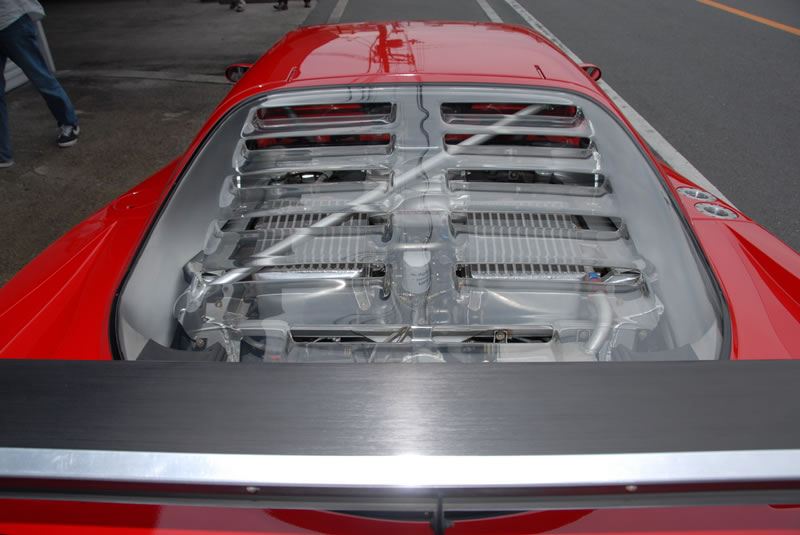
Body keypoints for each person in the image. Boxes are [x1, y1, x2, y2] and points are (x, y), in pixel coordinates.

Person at [0, 0, 79, 168]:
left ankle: (68, 122)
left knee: (40, 76)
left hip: (12, 21)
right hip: (10, 20)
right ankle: (3, 153)